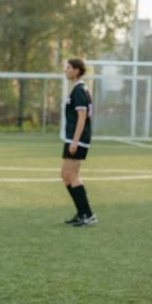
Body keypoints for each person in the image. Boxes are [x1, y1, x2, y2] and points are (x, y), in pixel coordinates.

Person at [60, 58, 97, 227]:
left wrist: (75, 141)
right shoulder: (76, 89)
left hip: (78, 140)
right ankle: (81, 212)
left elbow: (82, 118)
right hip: (72, 138)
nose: (66, 70)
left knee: (72, 175)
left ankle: (88, 214)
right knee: (65, 175)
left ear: (76, 70)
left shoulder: (79, 90)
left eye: (68, 68)